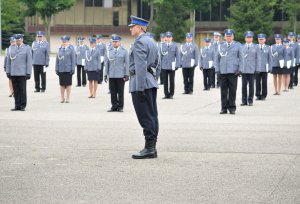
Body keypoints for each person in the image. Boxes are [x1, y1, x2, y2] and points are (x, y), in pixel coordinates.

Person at [128, 16, 159, 159]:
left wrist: (140, 87)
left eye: (132, 26)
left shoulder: (140, 42)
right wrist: (154, 78)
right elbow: (158, 62)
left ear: (139, 28)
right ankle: (152, 147)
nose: (130, 29)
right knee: (152, 115)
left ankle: (149, 149)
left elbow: (140, 65)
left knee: (145, 116)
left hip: (141, 83)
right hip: (150, 81)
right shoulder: (151, 41)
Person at [214, 29, 243, 114]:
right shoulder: (220, 46)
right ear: (225, 37)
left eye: (230, 36)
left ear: (233, 37)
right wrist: (217, 70)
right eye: (227, 36)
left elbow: (241, 59)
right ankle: (224, 108)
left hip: (233, 71)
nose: (229, 37)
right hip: (223, 71)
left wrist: (240, 69)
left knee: (232, 91)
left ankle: (232, 108)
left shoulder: (238, 45)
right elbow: (216, 59)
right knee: (223, 91)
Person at [6, 34, 32, 111]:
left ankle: (23, 105)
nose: (18, 41)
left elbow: (29, 61)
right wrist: (8, 71)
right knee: (16, 90)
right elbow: (8, 61)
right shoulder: (11, 48)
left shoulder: (27, 48)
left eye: (19, 40)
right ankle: (17, 105)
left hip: (22, 73)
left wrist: (28, 73)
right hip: (13, 72)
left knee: (22, 90)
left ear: (22, 40)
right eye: (17, 40)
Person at [104, 34, 129, 112]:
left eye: (116, 41)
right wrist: (105, 74)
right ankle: (114, 106)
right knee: (113, 92)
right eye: (113, 41)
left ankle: (120, 106)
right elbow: (106, 63)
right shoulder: (108, 51)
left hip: (121, 75)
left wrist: (127, 74)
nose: (114, 43)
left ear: (119, 42)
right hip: (112, 75)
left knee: (120, 92)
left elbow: (127, 64)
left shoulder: (124, 51)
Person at [240, 31, 259, 106]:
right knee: (243, 86)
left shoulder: (256, 46)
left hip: (252, 69)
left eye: (250, 37)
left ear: (252, 38)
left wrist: (257, 69)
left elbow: (258, 59)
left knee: (251, 86)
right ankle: (244, 101)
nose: (249, 39)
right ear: (245, 38)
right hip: (244, 69)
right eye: (247, 37)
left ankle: (250, 100)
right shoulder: (241, 46)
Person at [55, 35, 75, 103]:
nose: (64, 43)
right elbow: (57, 60)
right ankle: (62, 98)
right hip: (61, 69)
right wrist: (56, 69)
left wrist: (73, 69)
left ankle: (68, 98)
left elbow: (73, 60)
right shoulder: (59, 49)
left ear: (68, 42)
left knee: (68, 84)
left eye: (65, 42)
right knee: (62, 84)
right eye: (63, 42)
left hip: (68, 69)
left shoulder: (71, 49)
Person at [160, 31, 180, 99]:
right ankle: (166, 94)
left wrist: (177, 65)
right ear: (165, 38)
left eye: (169, 37)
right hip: (164, 66)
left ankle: (171, 94)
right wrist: (160, 65)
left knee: (171, 81)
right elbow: (160, 56)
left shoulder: (175, 46)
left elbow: (177, 56)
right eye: (167, 37)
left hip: (172, 66)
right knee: (165, 81)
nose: (168, 38)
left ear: (172, 38)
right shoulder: (162, 45)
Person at [256, 33, 272, 101]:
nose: (261, 40)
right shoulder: (255, 47)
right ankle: (258, 95)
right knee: (257, 82)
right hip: (257, 68)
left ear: (265, 40)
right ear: (258, 40)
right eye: (259, 39)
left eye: (262, 39)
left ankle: (264, 95)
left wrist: (270, 68)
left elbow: (270, 59)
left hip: (265, 68)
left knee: (264, 82)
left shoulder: (268, 47)